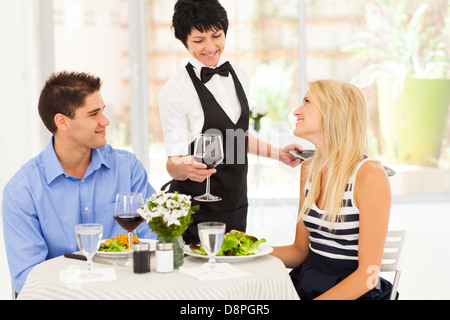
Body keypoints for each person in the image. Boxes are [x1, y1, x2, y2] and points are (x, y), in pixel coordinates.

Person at [158, 0, 302, 244]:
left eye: (217, 35)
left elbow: (236, 138)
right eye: (198, 40)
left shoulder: (239, 75)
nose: (211, 46)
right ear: (183, 40)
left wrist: (280, 154)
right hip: (195, 210)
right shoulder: (175, 90)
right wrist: (186, 168)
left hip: (235, 202)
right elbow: (173, 163)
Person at [2, 71, 157, 294]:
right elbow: (28, 278)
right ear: (62, 122)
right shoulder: (22, 191)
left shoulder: (127, 168)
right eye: (93, 114)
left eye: (102, 111)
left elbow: (153, 238)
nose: (105, 121)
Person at [271, 79, 394, 300]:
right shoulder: (309, 168)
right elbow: (300, 252)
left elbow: (368, 275)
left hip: (352, 292)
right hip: (306, 283)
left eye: (307, 102)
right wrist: (247, 249)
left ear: (333, 112)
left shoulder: (369, 175)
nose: (297, 111)